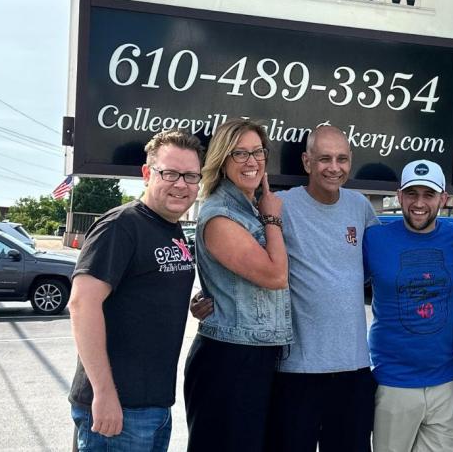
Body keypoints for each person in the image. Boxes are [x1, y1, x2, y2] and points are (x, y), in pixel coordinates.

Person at [67, 130, 203, 452]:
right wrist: (104, 393)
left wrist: (195, 302)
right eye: (169, 173)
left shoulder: (171, 228)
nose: (181, 184)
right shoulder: (121, 225)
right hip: (118, 408)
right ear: (147, 173)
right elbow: (82, 305)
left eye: (191, 175)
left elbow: (149, 294)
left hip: (154, 404)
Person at [264, 125, 379, 452]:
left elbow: (383, 264)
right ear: (306, 161)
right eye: (324, 158)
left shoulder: (360, 207)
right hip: (298, 370)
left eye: (342, 159)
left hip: (354, 369)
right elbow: (250, 263)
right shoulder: (280, 205)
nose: (334, 167)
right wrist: (208, 298)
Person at [183, 119, 291, 452]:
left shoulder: (250, 206)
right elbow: (275, 276)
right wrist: (272, 218)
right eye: (239, 153)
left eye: (257, 151)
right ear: (222, 159)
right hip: (229, 362)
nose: (251, 161)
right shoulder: (220, 215)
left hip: (257, 357)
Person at [364, 159, 453, 452]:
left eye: (428, 194)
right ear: (399, 196)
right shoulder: (376, 238)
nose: (419, 203)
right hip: (393, 382)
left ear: (443, 199)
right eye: (412, 193)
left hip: (447, 381)